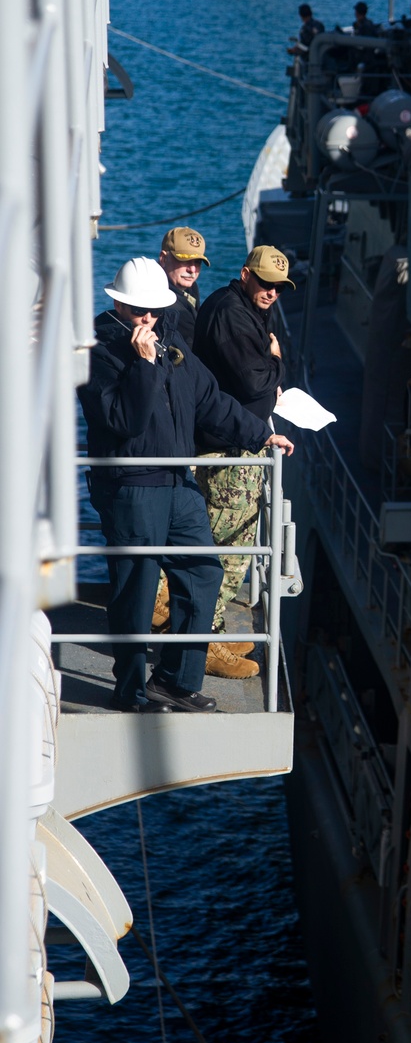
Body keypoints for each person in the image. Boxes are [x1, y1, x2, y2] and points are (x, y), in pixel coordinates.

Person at [78, 256, 294, 714]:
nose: (149, 319)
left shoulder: (171, 341)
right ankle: (131, 690)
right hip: (131, 485)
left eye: (156, 310)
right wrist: (142, 365)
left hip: (178, 480)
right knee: (135, 589)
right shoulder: (97, 352)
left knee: (203, 573)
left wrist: (261, 434)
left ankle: (174, 681)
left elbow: (210, 400)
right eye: (140, 311)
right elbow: (124, 420)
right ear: (118, 304)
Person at [193, 245, 295, 655]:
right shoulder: (232, 313)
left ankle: (208, 627)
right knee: (228, 546)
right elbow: (253, 382)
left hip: (240, 440)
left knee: (233, 543)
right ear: (246, 274)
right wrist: (277, 363)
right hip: (229, 448)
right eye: (266, 283)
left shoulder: (245, 307)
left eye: (279, 287)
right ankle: (206, 638)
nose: (272, 293)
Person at [158, 226, 209, 346]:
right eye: (184, 260)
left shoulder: (190, 288)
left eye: (197, 262)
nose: (192, 269)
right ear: (163, 258)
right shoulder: (162, 300)